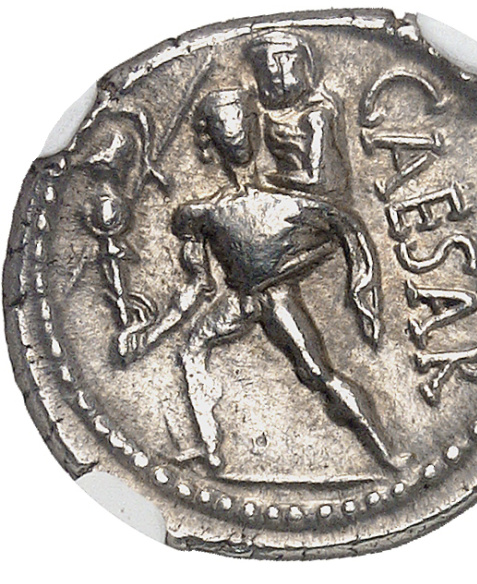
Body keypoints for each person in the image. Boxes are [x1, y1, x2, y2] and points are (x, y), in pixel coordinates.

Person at [117, 89, 399, 471]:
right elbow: (198, 286)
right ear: (212, 138)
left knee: (317, 374)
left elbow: (342, 230)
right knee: (193, 349)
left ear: (252, 127)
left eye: (239, 121)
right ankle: (210, 449)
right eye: (226, 125)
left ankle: (385, 452)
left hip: (273, 297)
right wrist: (150, 334)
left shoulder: (286, 203)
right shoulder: (200, 214)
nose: (234, 133)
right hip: (243, 300)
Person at [245, 31, 352, 208]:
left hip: (317, 205)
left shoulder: (316, 116)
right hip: (287, 198)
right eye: (260, 70)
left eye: (280, 61)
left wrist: (266, 179)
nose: (268, 74)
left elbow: (317, 179)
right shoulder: (264, 116)